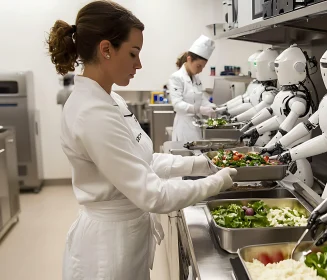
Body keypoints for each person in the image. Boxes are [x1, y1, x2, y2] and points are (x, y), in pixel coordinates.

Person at [46, 1, 236, 279]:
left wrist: (201, 165)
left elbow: (143, 159)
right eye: (133, 53)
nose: (139, 63)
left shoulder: (111, 99)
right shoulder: (91, 112)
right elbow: (153, 194)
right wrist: (216, 183)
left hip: (126, 238)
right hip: (108, 251)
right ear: (106, 49)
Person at [168, 35, 217, 142]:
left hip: (196, 126)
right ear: (189, 59)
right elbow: (177, 105)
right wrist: (199, 109)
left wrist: (211, 107)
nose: (201, 70)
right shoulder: (176, 77)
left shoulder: (196, 78)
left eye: (203, 67)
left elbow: (201, 98)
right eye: (199, 66)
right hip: (183, 127)